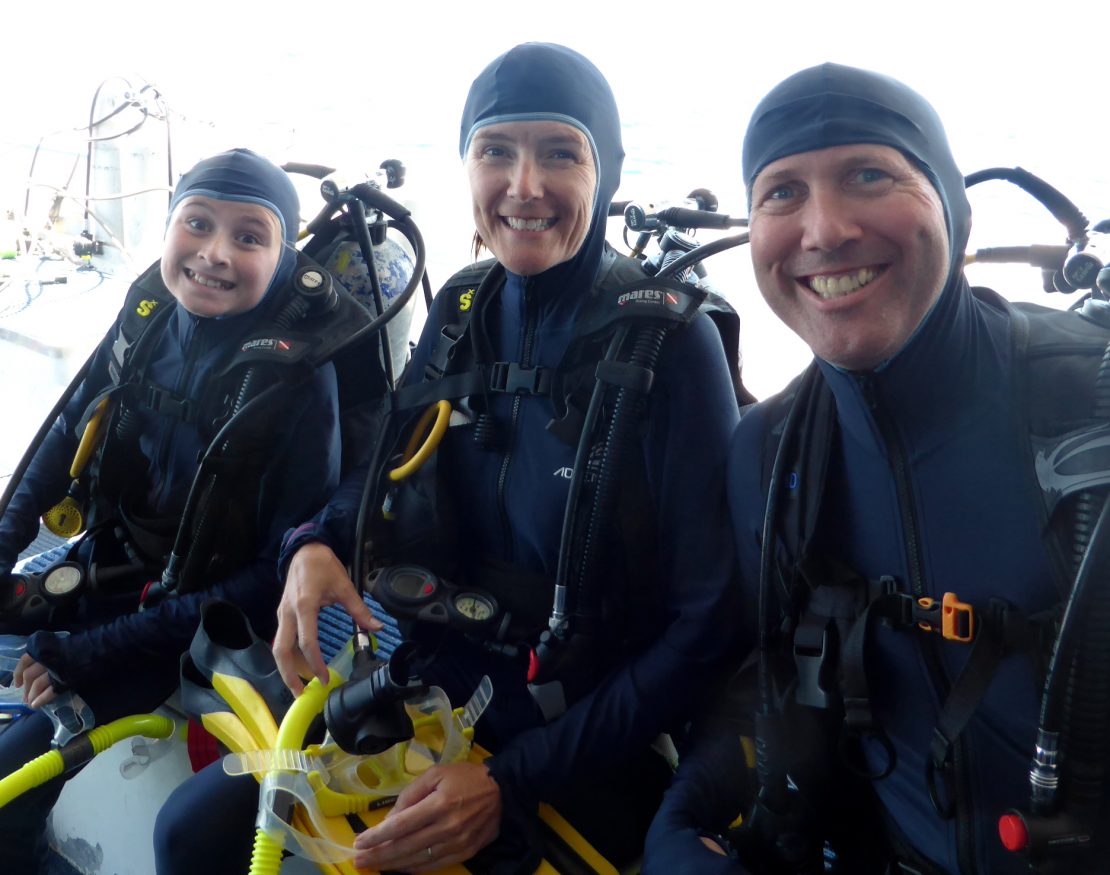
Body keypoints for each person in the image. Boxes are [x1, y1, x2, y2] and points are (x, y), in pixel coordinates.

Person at [256, 41, 742, 874]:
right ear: (467, 167)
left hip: (587, 733)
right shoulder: (462, 305)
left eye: (561, 153)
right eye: (495, 151)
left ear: (607, 174)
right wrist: (313, 541)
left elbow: (709, 628)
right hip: (437, 687)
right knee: (194, 830)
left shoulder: (669, 342)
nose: (524, 186)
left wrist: (511, 779)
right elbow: (382, 473)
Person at [643, 62, 1110, 874]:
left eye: (869, 174)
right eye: (782, 192)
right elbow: (773, 678)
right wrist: (685, 809)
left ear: (954, 210)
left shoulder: (1091, 409)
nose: (823, 230)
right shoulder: (768, 453)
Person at [0, 148, 345, 872]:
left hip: (191, 619)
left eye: (250, 237)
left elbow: (267, 578)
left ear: (282, 258)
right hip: (107, 565)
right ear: (167, 229)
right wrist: (6, 540)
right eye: (197, 223)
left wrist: (90, 652)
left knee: (8, 774)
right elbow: (66, 428)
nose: (215, 254)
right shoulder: (148, 311)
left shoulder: (297, 381)